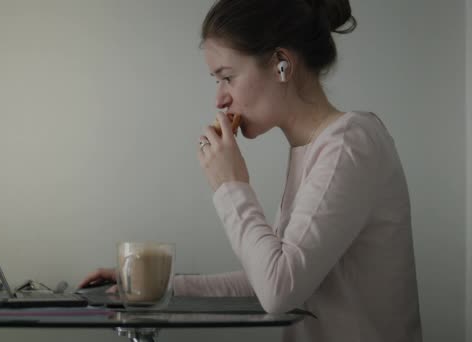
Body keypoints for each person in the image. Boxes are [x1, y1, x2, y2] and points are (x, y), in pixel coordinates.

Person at [79, 0, 423, 341]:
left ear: (281, 65)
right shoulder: (316, 149)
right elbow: (270, 276)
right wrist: (152, 287)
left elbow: (278, 289)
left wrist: (230, 184)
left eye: (227, 77)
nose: (219, 99)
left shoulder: (348, 144)